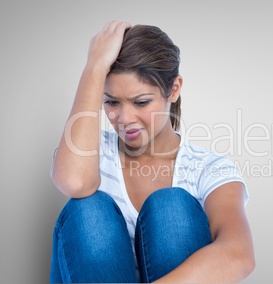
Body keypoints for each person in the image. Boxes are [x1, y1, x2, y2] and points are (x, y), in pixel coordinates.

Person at [50, 20, 255, 283]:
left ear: (174, 89)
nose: (124, 118)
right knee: (89, 208)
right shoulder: (89, 150)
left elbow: (239, 255)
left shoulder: (208, 168)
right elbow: (75, 183)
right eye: (111, 101)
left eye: (141, 102)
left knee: (172, 207)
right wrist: (94, 67)